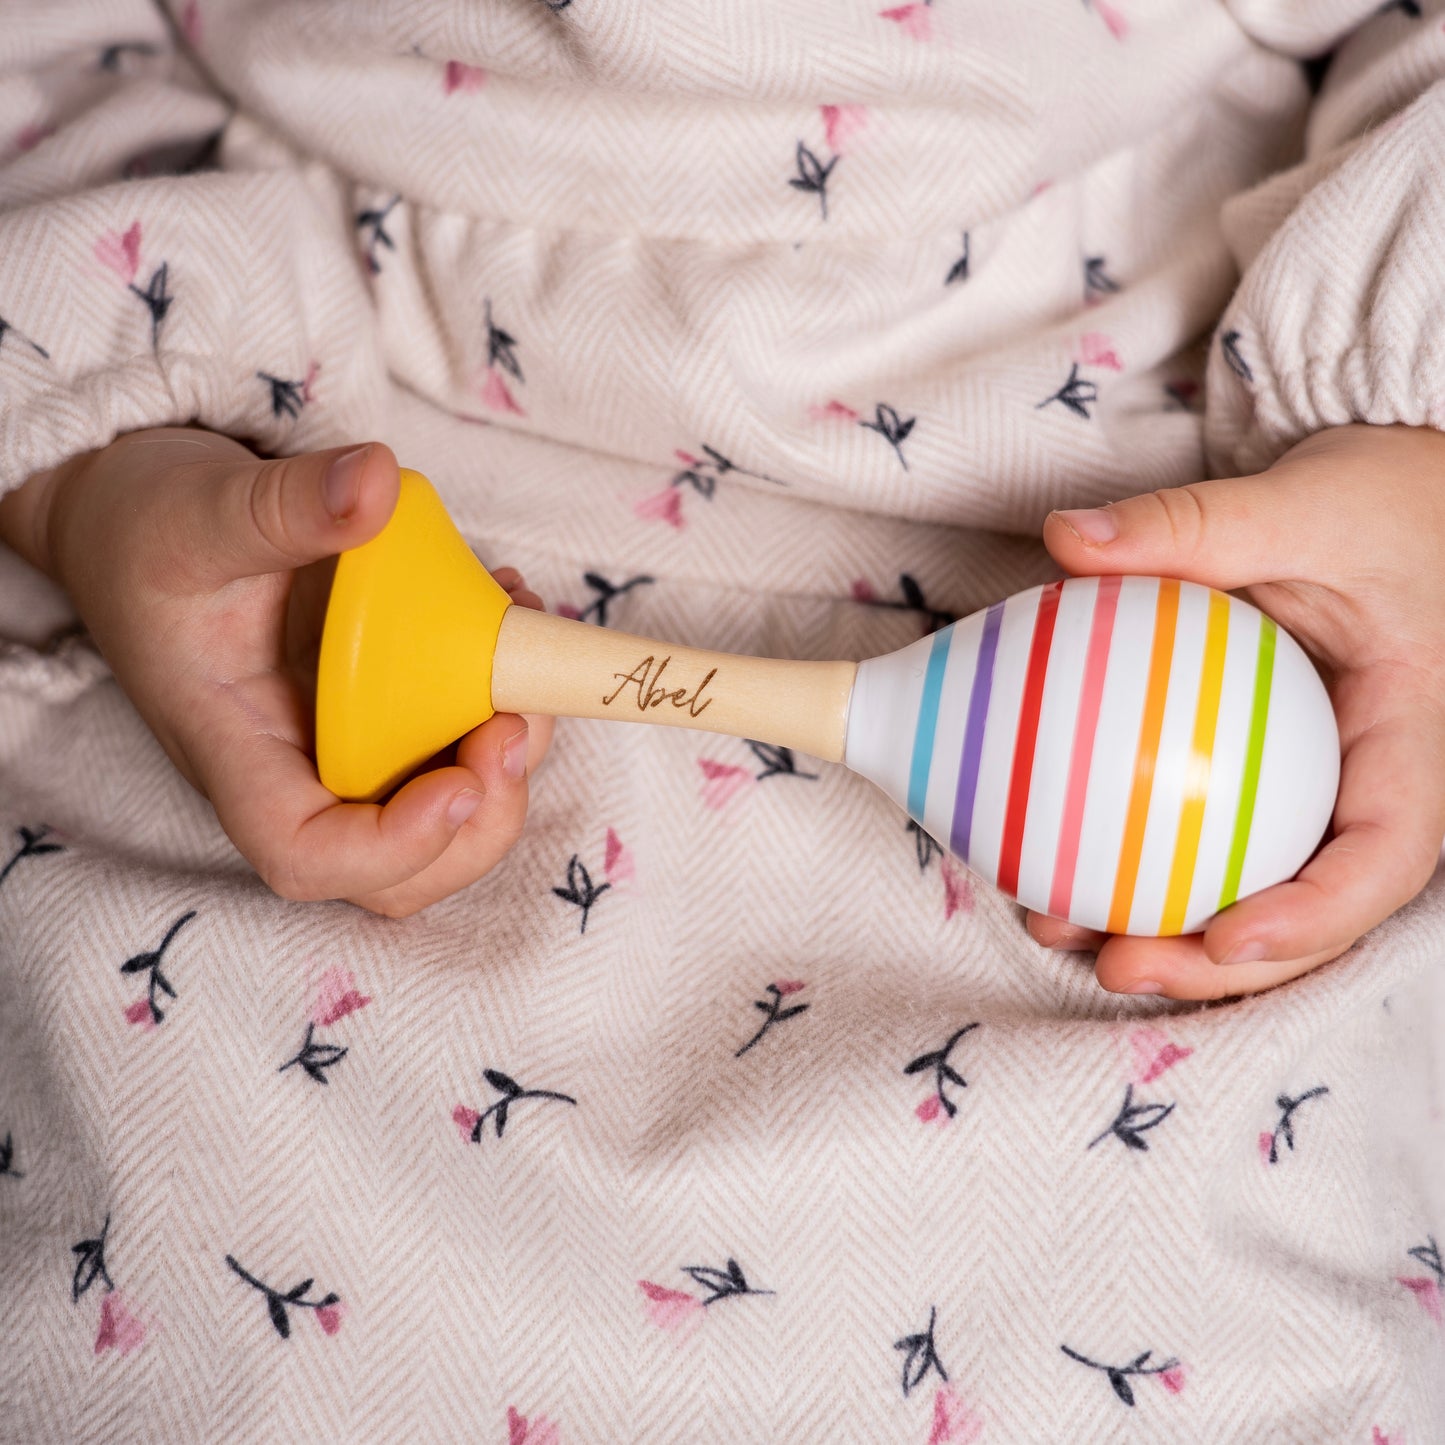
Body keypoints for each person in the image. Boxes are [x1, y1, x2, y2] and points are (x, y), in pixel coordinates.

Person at [0, 1, 1441, 1438]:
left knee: (1221, 1287)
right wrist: (91, 467)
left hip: (1210, 568)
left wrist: (1413, 450)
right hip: (302, 537)